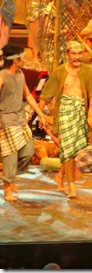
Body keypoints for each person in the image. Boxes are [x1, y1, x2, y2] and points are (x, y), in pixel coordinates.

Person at [38, 41, 92, 198]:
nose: (77, 57)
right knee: (68, 152)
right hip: (64, 113)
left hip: (80, 113)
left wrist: (90, 112)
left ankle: (60, 176)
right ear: (68, 54)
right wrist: (39, 114)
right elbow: (46, 94)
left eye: (80, 53)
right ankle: (72, 186)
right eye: (74, 54)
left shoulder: (87, 71)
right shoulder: (59, 72)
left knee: (76, 150)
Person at [0, 44, 47, 202]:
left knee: (28, 150)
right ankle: (7, 189)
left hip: (20, 118)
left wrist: (40, 114)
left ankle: (11, 176)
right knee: (10, 155)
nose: (23, 60)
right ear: (15, 60)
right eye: (21, 58)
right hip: (6, 120)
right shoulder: (1, 76)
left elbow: (27, 95)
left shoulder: (20, 74)